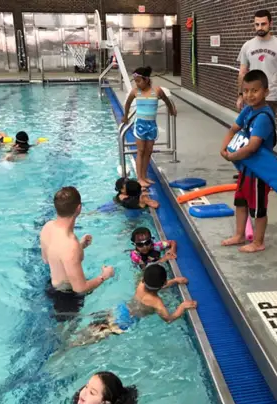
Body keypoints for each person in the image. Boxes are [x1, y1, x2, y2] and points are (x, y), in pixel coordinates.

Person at [67, 265, 196, 347]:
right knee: (96, 336)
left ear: (144, 279)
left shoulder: (140, 285)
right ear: (163, 284)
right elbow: (169, 319)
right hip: (125, 321)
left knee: (93, 326)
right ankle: (71, 346)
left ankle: (70, 338)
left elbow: (155, 284)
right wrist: (182, 306)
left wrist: (174, 281)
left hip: (120, 309)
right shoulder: (157, 302)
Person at [220, 70, 277, 253]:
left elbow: (253, 147)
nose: (249, 95)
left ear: (266, 92)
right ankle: (239, 234)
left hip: (259, 171)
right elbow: (233, 129)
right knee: (241, 202)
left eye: (254, 91)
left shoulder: (263, 117)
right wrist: (225, 146)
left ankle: (258, 241)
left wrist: (232, 156)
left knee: (258, 207)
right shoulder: (247, 110)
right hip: (246, 168)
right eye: (245, 91)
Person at [40, 186, 115, 322]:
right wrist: (104, 276)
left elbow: (47, 259)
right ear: (79, 208)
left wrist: (80, 246)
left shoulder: (48, 227)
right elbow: (80, 288)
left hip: (51, 286)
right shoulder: (70, 246)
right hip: (68, 299)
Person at [121, 66, 177, 188]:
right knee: (140, 151)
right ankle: (139, 178)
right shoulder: (135, 92)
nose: (137, 84)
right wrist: (125, 116)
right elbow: (128, 103)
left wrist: (172, 110)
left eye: (139, 81)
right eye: (135, 81)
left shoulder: (156, 91)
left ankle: (145, 176)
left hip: (151, 125)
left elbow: (167, 101)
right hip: (140, 125)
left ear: (146, 80)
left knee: (148, 151)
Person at [236, 10, 277, 116]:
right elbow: (242, 72)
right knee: (249, 127)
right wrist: (240, 95)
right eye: (257, 24)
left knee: (266, 128)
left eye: (263, 24)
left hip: (270, 96)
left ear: (270, 24)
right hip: (250, 95)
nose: (260, 27)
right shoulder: (247, 46)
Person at [71, 371, 138, 404]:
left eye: (92, 392)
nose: (84, 393)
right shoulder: (78, 397)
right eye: (86, 386)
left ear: (105, 403)